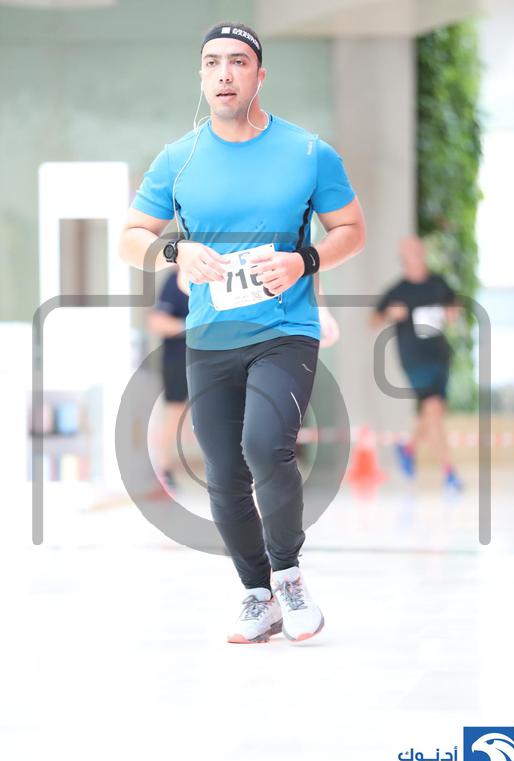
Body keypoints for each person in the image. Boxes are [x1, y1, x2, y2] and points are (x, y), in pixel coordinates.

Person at [119, 22, 366, 644]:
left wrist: (305, 261)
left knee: (265, 445)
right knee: (224, 471)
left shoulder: (308, 152)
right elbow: (130, 238)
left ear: (260, 75)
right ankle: (258, 594)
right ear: (201, 77)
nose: (223, 73)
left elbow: (351, 230)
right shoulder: (179, 158)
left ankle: (289, 576)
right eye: (212, 62)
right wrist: (175, 252)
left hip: (286, 328)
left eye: (237, 61)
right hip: (209, 335)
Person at [371, 236, 463, 490]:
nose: (415, 253)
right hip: (414, 360)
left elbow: (454, 305)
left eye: (417, 248)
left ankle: (408, 448)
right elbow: (373, 319)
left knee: (433, 410)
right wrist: (389, 313)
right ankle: (449, 472)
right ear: (403, 257)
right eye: (409, 250)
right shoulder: (397, 291)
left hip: (440, 356)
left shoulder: (438, 283)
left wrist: (453, 313)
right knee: (433, 407)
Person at [147, 269, 189, 491]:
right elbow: (157, 322)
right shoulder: (174, 282)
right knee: (174, 415)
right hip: (179, 359)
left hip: (216, 359)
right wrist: (193, 326)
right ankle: (163, 470)